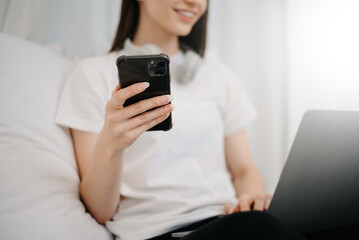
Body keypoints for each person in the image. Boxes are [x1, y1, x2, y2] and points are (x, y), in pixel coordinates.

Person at [55, 0, 304, 239]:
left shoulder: (218, 75)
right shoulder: (92, 75)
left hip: (230, 222)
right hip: (155, 233)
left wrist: (252, 201)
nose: (195, 2)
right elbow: (100, 211)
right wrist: (112, 142)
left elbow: (244, 171)